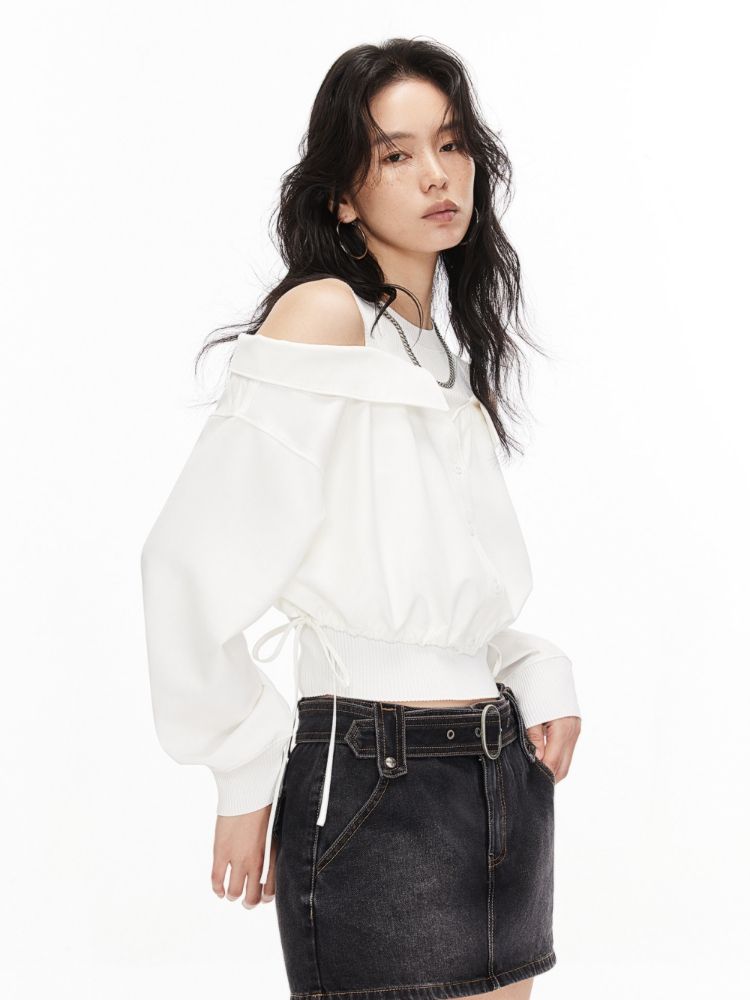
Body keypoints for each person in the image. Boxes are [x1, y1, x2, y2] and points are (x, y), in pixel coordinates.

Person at [140, 38, 582, 1000]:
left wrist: (530, 667)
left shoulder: (436, 349)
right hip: (374, 781)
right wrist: (241, 768)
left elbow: (428, 580)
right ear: (344, 195)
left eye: (452, 144)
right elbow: (186, 561)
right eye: (396, 154)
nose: (437, 174)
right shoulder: (325, 316)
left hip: (498, 773)